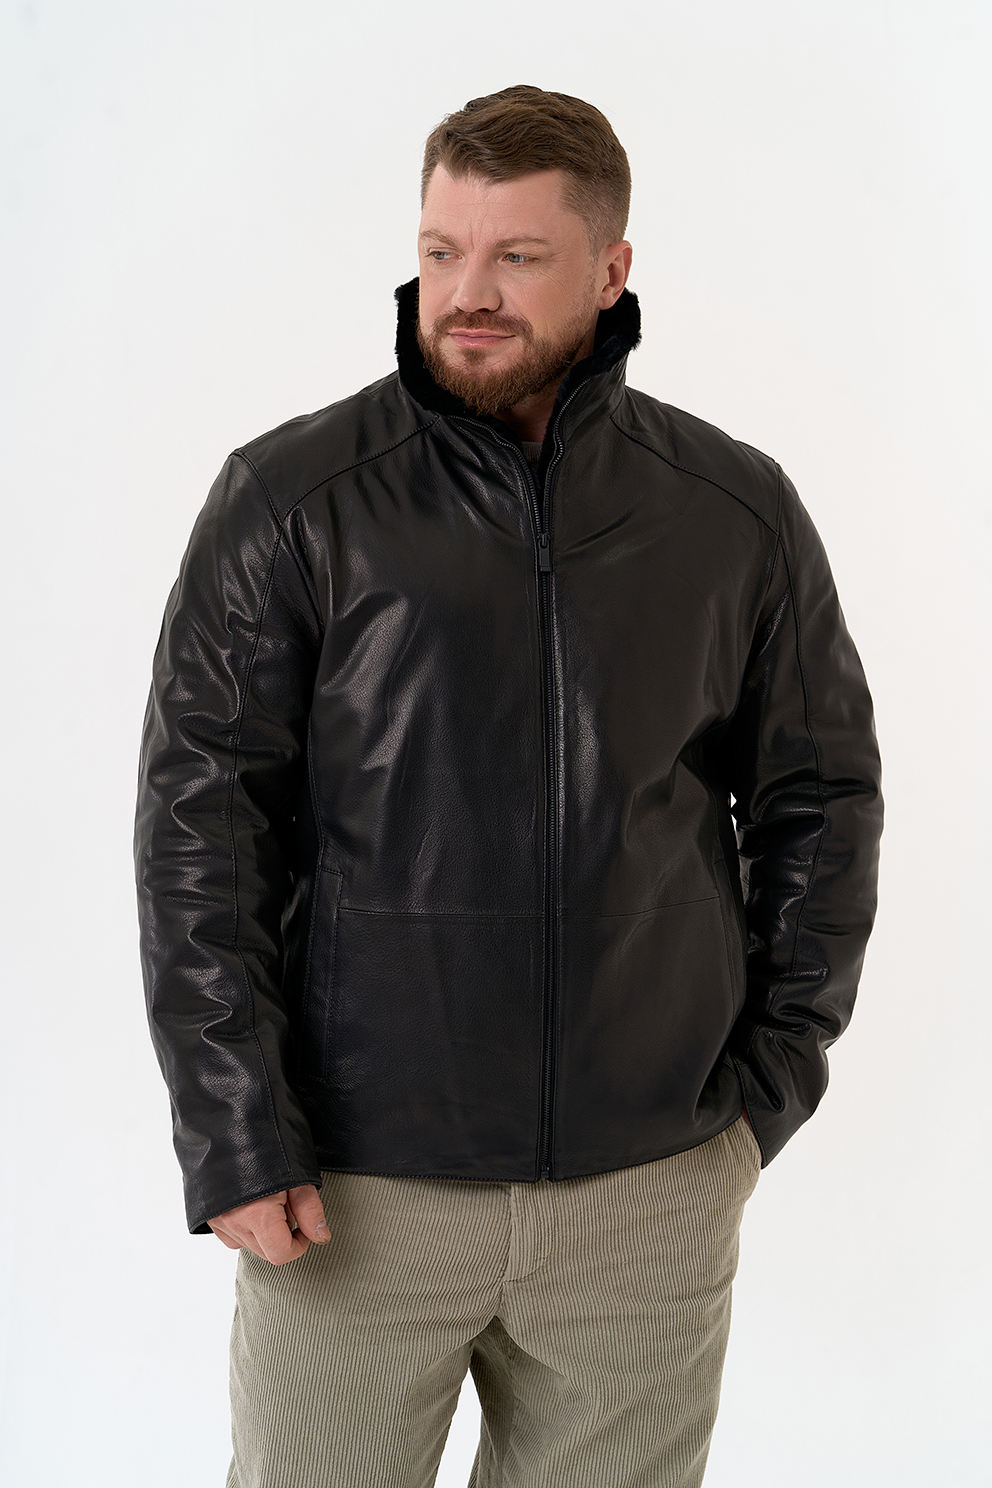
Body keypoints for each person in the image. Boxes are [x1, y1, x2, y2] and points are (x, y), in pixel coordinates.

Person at [134, 84, 883, 1488]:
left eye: (516, 256)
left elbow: (819, 801)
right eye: (441, 251)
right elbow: (202, 829)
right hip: (356, 1190)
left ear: (610, 267)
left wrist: (763, 1094)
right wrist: (235, 1128)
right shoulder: (292, 501)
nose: (466, 293)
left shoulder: (733, 512)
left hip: (647, 1193)